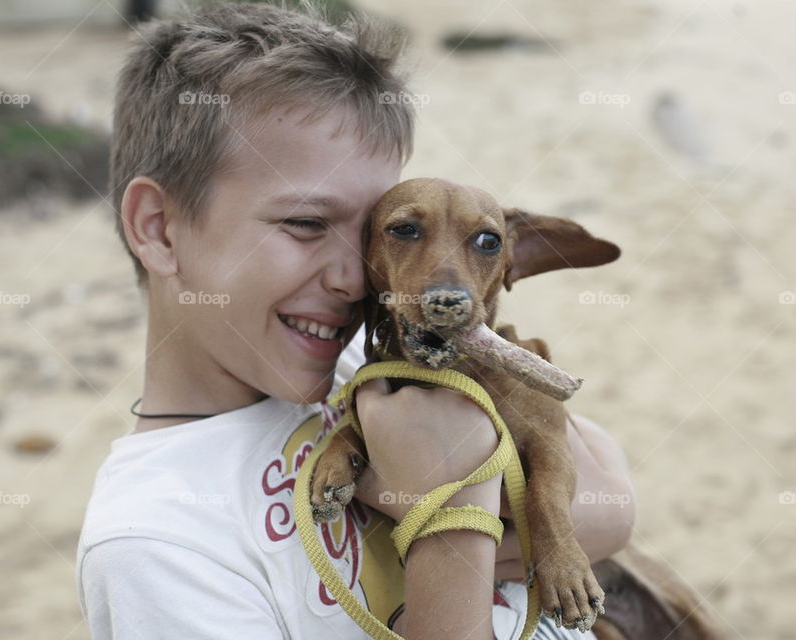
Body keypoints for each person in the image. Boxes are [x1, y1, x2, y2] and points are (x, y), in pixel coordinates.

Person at [75, 3, 636, 639]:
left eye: (369, 233)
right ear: (159, 228)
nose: (359, 276)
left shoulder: (358, 359)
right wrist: (451, 505)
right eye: (307, 223)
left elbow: (611, 499)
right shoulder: (158, 546)